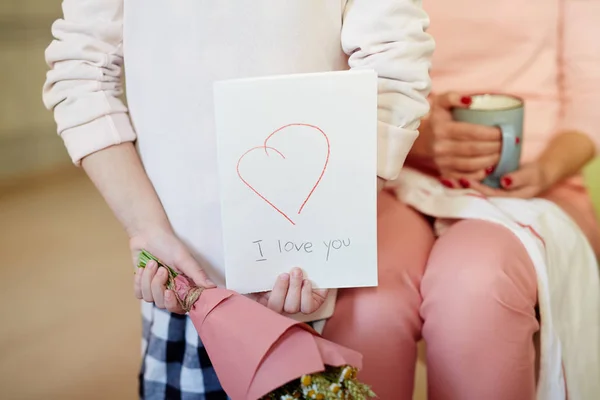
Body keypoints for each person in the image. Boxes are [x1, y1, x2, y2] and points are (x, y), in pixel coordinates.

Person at [43, 1, 434, 398]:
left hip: (310, 280)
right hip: (184, 273)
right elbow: (80, 74)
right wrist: (144, 227)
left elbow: (395, 65)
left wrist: (325, 228)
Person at [322, 1, 600, 399]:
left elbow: (592, 96)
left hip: (539, 187)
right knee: (367, 291)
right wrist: (414, 135)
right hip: (397, 177)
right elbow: (333, 73)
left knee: (478, 281)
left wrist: (545, 170)